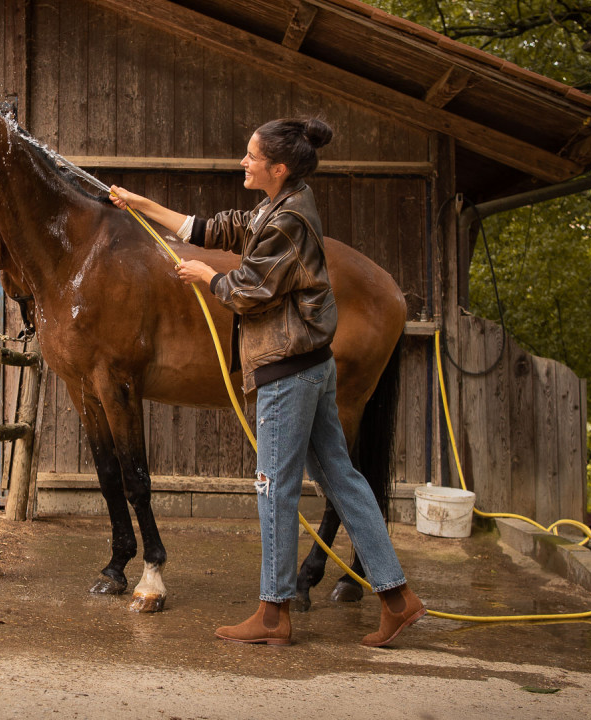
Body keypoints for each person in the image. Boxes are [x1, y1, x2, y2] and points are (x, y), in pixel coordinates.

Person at [108, 117, 424, 647]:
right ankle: (397, 598)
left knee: (273, 489)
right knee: (343, 479)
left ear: (276, 169)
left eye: (251, 156)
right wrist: (142, 205)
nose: (243, 162)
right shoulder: (280, 206)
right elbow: (212, 229)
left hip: (287, 370)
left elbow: (249, 289)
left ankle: (274, 614)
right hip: (309, 365)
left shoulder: (287, 222)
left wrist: (205, 277)